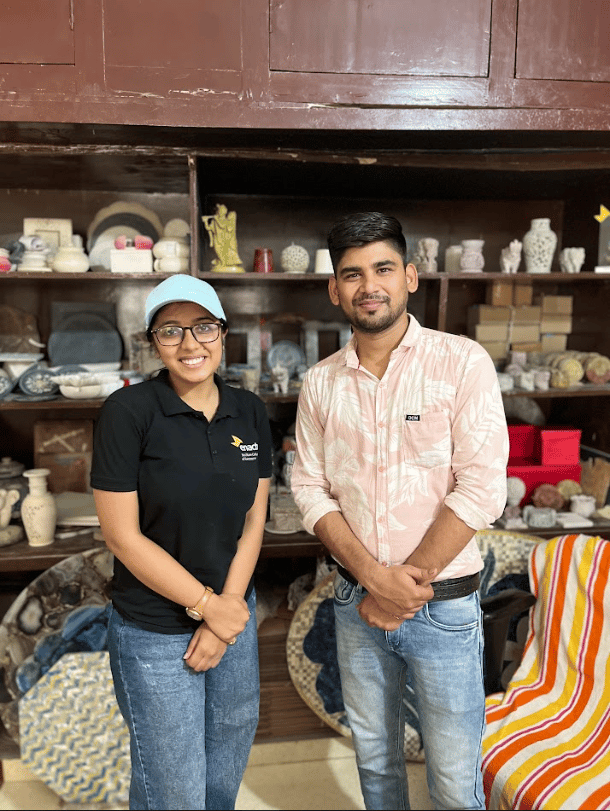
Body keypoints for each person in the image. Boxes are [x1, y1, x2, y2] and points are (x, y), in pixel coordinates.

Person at [291, 212, 509, 811]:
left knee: (454, 779)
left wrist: (397, 586)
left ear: (411, 276)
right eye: (352, 274)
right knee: (377, 764)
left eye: (383, 268)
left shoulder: (462, 363)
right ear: (334, 290)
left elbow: (484, 487)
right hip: (353, 604)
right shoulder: (321, 383)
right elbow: (308, 487)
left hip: (443, 608)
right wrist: (372, 579)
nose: (369, 285)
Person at [91, 274, 272, 811]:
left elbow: (253, 519)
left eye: (203, 327)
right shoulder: (128, 413)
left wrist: (229, 608)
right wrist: (207, 606)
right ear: (152, 342)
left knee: (221, 781)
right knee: (176, 792)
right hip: (155, 628)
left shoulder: (250, 410)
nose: (190, 344)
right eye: (171, 330)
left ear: (222, 332)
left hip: (234, 617)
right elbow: (122, 537)